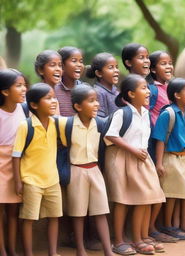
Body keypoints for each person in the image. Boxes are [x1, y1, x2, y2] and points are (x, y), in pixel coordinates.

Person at [104, 74, 165, 255]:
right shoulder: (122, 112)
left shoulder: (145, 113)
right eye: (143, 88)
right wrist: (132, 150)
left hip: (142, 158)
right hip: (123, 159)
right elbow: (111, 135)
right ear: (130, 93)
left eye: (147, 88)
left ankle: (141, 236)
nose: (148, 92)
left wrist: (141, 154)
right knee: (123, 199)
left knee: (148, 197)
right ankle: (120, 241)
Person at [59, 85, 113, 256]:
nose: (96, 104)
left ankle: (108, 250)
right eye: (91, 101)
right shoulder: (66, 124)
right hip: (76, 172)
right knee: (78, 213)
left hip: (95, 170)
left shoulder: (100, 123)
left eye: (96, 100)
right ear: (78, 107)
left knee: (101, 211)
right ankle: (80, 250)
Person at [12, 83, 62, 256]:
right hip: (31, 181)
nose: (54, 101)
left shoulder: (57, 124)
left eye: (54, 97)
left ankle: (53, 252)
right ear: (34, 105)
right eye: (48, 98)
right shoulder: (25, 126)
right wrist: (18, 182)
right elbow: (16, 156)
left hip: (53, 180)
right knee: (28, 218)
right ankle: (28, 253)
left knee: (54, 217)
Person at [152, 78, 185, 240]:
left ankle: (184, 225)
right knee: (172, 194)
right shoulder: (167, 114)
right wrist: (159, 163)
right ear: (177, 95)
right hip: (173, 158)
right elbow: (160, 139)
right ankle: (168, 226)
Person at [146, 51, 178, 243]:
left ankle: (162, 226)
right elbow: (147, 112)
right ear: (153, 69)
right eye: (163, 64)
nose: (168, 67)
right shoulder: (153, 89)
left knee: (166, 185)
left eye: (170, 63)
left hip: (170, 145)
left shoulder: (171, 87)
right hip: (154, 142)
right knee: (155, 186)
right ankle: (150, 228)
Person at [0, 69, 27, 256]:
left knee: (13, 211)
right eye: (18, 86)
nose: (24, 89)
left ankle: (12, 250)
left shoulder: (23, 108)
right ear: (5, 91)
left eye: (24, 85)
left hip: (18, 163)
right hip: (0, 164)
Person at [86, 52, 119, 118]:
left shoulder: (116, 91)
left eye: (116, 67)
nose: (116, 70)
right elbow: (100, 120)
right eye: (111, 67)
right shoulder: (97, 93)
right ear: (99, 73)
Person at [55, 46, 85, 116]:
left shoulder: (85, 89)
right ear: (62, 65)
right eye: (74, 61)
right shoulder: (53, 90)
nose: (79, 65)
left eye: (81, 61)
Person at [34, 50, 63, 115]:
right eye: (52, 65)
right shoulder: (37, 94)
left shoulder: (57, 92)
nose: (58, 69)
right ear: (40, 70)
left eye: (60, 65)